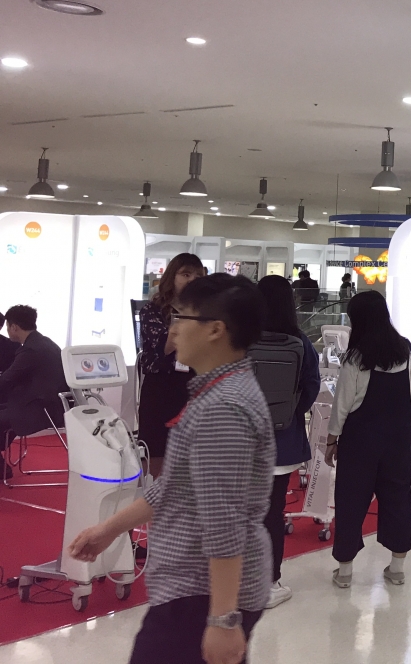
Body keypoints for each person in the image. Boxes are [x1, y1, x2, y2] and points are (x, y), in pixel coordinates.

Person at [68, 274, 274, 664]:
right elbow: (175, 486)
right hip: (193, 589)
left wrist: (223, 618)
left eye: (182, 317)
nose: (173, 329)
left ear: (215, 329)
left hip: (202, 593)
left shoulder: (223, 408)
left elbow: (224, 520)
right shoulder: (213, 393)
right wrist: (109, 529)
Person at [326, 291, 411, 589]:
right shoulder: (404, 351)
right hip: (397, 438)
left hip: (361, 439)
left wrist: (331, 440)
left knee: (351, 499)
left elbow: (342, 404)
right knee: (398, 498)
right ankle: (397, 568)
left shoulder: (356, 357)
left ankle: (345, 571)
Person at [255, 275, 321, 609]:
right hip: (282, 444)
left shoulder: (241, 338)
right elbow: (312, 386)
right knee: (272, 513)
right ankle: (269, 583)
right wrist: (291, 412)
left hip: (244, 442)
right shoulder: (300, 343)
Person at [136, 253, 204, 478]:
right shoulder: (152, 310)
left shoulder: (207, 311)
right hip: (161, 388)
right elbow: (163, 349)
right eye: (186, 274)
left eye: (197, 276)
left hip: (194, 386)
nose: (192, 280)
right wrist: (186, 320)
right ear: (172, 277)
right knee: (157, 453)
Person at [0, 306, 67, 478]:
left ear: (14, 327)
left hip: (40, 409)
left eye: (7, 326)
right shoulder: (44, 342)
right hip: (47, 403)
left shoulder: (30, 350)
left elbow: (7, 379)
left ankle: (2, 469)